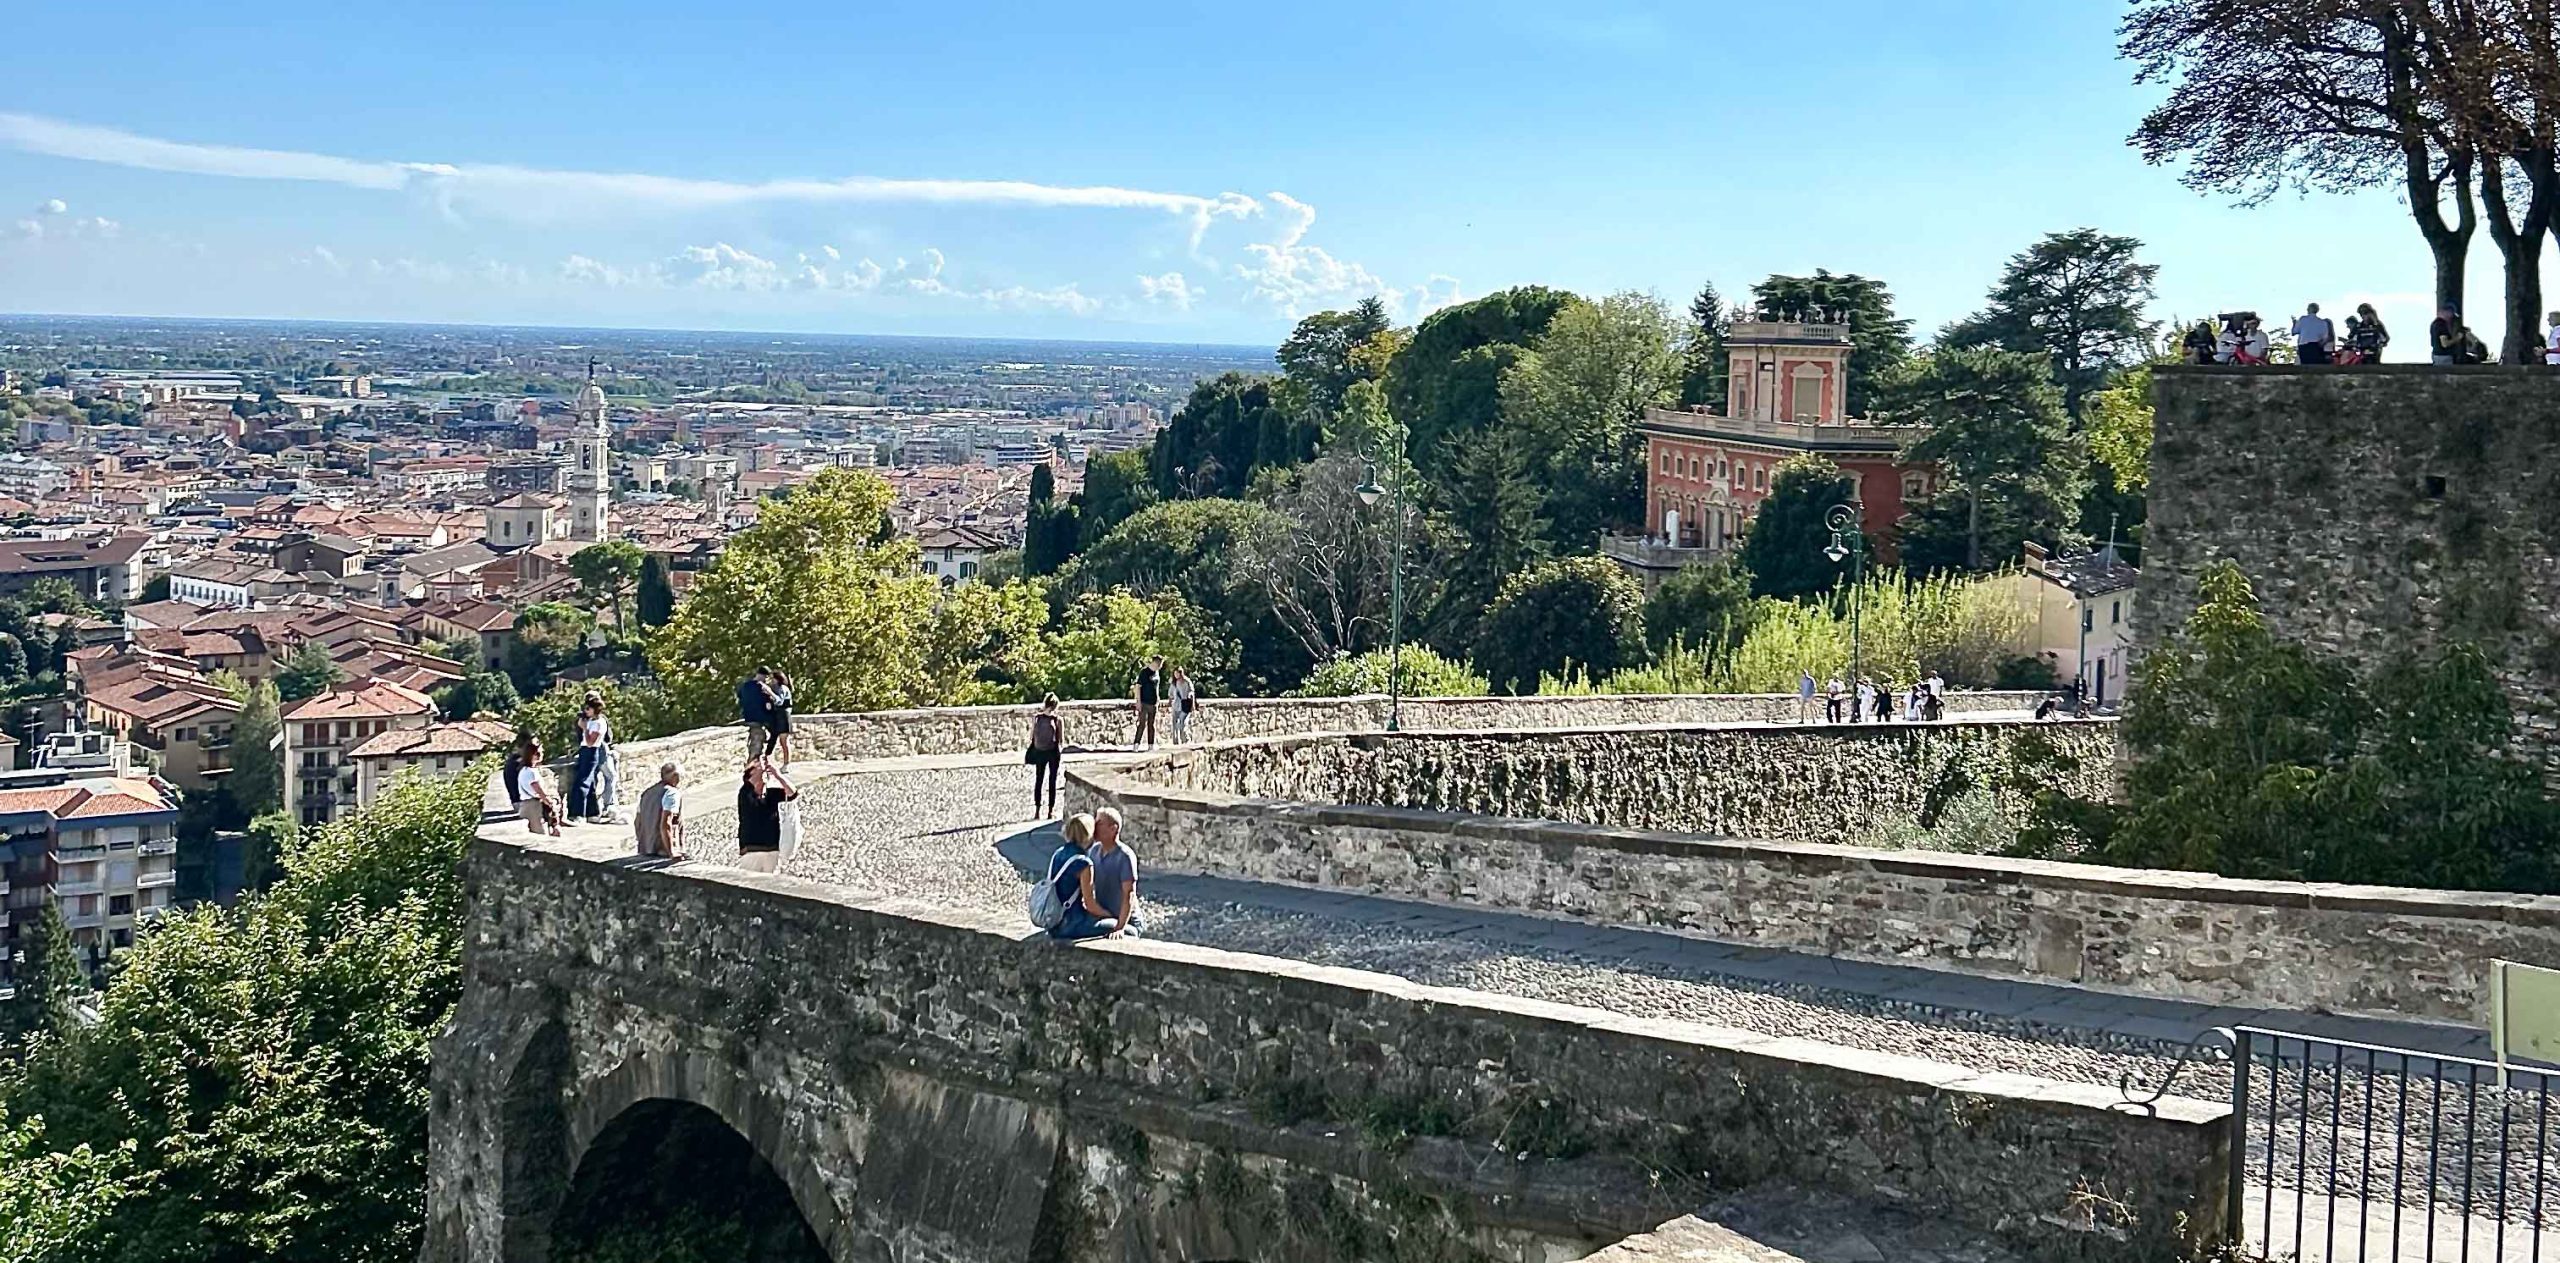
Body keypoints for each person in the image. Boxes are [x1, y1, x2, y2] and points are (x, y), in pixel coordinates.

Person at [1044, 814, 1119, 942]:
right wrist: (1111, 915)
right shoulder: (1083, 863)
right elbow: (1090, 904)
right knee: (1126, 929)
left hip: (1053, 922)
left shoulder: (1058, 853)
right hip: (1071, 924)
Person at [734, 757, 798, 874]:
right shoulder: (745, 793)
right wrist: (761, 767)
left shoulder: (771, 794)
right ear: (751, 773)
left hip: (772, 849)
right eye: (758, 767)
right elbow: (750, 779)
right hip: (751, 849)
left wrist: (778, 775)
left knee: (770, 883)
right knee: (749, 882)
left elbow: (792, 794)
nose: (763, 770)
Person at [1089, 807, 1141, 937]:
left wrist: (1120, 927)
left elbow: (1128, 894)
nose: (1095, 827)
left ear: (1113, 829)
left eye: (1100, 823)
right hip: (1105, 916)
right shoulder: (1094, 851)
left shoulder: (1125, 856)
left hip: (1126, 920)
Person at [570, 693, 611, 823]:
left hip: (590, 752)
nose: (586, 711)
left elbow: (590, 742)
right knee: (590, 781)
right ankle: (592, 812)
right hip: (586, 752)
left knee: (582, 782)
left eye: (588, 708)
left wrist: (584, 729)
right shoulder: (592, 721)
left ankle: (578, 813)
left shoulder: (599, 723)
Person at [634, 762, 685, 859]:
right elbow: (666, 823)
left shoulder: (647, 793)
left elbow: (637, 822)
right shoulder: (672, 793)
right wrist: (671, 852)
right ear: (675, 776)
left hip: (646, 850)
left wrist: (644, 842)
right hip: (663, 850)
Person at [1026, 694, 1065, 818]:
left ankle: (1037, 811)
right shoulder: (1057, 720)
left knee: (1039, 780)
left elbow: (1031, 736)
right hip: (1053, 752)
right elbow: (1061, 740)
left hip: (1039, 751)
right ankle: (1050, 811)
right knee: (1052, 781)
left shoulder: (1036, 718)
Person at [514, 737, 562, 836]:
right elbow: (540, 792)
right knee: (541, 835)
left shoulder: (526, 770)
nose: (541, 755)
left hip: (529, 805)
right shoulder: (531, 772)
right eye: (538, 753)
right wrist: (551, 803)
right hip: (533, 807)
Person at [736, 666, 774, 758]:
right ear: (765, 676)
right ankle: (755, 763)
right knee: (757, 746)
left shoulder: (745, 686)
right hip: (760, 720)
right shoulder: (763, 688)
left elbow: (740, 699)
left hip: (748, 717)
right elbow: (768, 706)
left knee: (753, 744)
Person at [764, 669, 796, 768]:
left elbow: (779, 701)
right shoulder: (775, 688)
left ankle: (786, 763)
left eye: (773, 678)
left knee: (784, 741)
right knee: (772, 738)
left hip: (784, 716)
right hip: (777, 716)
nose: (771, 680)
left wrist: (770, 692)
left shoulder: (782, 688)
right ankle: (767, 759)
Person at [1131, 656, 1162, 749]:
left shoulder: (1157, 673)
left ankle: (1151, 745)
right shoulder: (1144, 672)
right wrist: (1138, 701)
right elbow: (1138, 686)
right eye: (1159, 664)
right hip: (1144, 701)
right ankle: (1136, 744)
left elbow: (1156, 687)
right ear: (1155, 662)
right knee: (1142, 724)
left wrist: (1158, 699)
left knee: (1151, 725)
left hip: (1153, 702)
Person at [1168, 667, 1197, 744]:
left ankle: (1185, 740)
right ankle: (1175, 741)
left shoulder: (1186, 681)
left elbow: (1192, 693)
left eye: (1177, 673)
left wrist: (1193, 705)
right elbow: (1170, 694)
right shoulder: (1173, 683)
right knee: (1174, 724)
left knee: (1182, 723)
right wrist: (1169, 703)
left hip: (1185, 705)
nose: (1176, 675)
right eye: (1175, 673)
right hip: (1175, 705)